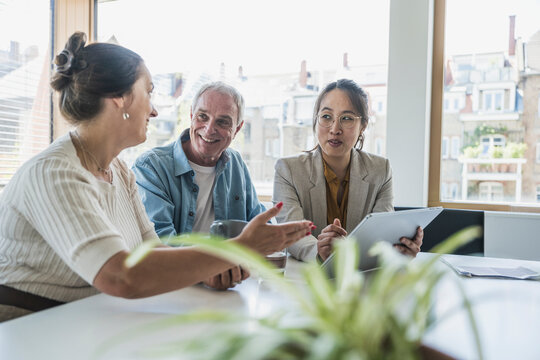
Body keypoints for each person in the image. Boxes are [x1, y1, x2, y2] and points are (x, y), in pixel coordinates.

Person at [0, 32, 312, 322]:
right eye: (148, 92)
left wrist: (208, 269)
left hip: (90, 318)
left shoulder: (119, 171)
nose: (154, 111)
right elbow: (122, 276)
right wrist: (237, 249)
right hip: (30, 326)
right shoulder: (55, 173)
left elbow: (153, 249)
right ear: (120, 98)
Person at [132, 82, 264, 290]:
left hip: (231, 286)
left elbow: (259, 223)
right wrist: (208, 267)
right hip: (174, 287)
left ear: (237, 128)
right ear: (191, 115)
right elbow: (160, 242)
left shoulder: (236, 163)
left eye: (222, 122)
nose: (209, 129)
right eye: (202, 117)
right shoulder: (151, 166)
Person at [273, 79, 423, 262]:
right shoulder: (288, 170)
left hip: (362, 280)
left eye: (347, 119)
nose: (335, 129)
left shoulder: (380, 170)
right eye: (326, 117)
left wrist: (398, 249)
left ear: (363, 126)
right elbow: (292, 234)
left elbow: (380, 237)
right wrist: (320, 252)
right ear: (316, 120)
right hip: (306, 279)